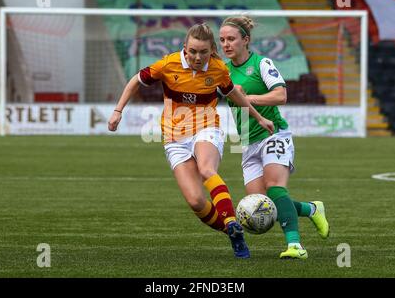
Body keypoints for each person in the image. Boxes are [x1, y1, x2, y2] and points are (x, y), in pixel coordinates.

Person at [108, 23, 275, 259]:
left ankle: (230, 220)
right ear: (184, 48)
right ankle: (231, 231)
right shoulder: (168, 64)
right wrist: (118, 110)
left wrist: (258, 117)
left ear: (211, 50)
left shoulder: (217, 69)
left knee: (207, 169)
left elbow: (234, 95)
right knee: (196, 201)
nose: (197, 57)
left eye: (203, 52)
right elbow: (136, 80)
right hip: (175, 138)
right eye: (193, 51)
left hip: (207, 127)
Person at [219, 16, 330, 259]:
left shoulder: (261, 63)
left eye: (231, 39)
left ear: (245, 40)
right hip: (248, 142)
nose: (226, 44)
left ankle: (295, 246)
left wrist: (246, 98)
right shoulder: (223, 72)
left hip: (273, 133)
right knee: (260, 205)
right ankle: (311, 209)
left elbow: (280, 95)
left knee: (275, 188)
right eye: (222, 40)